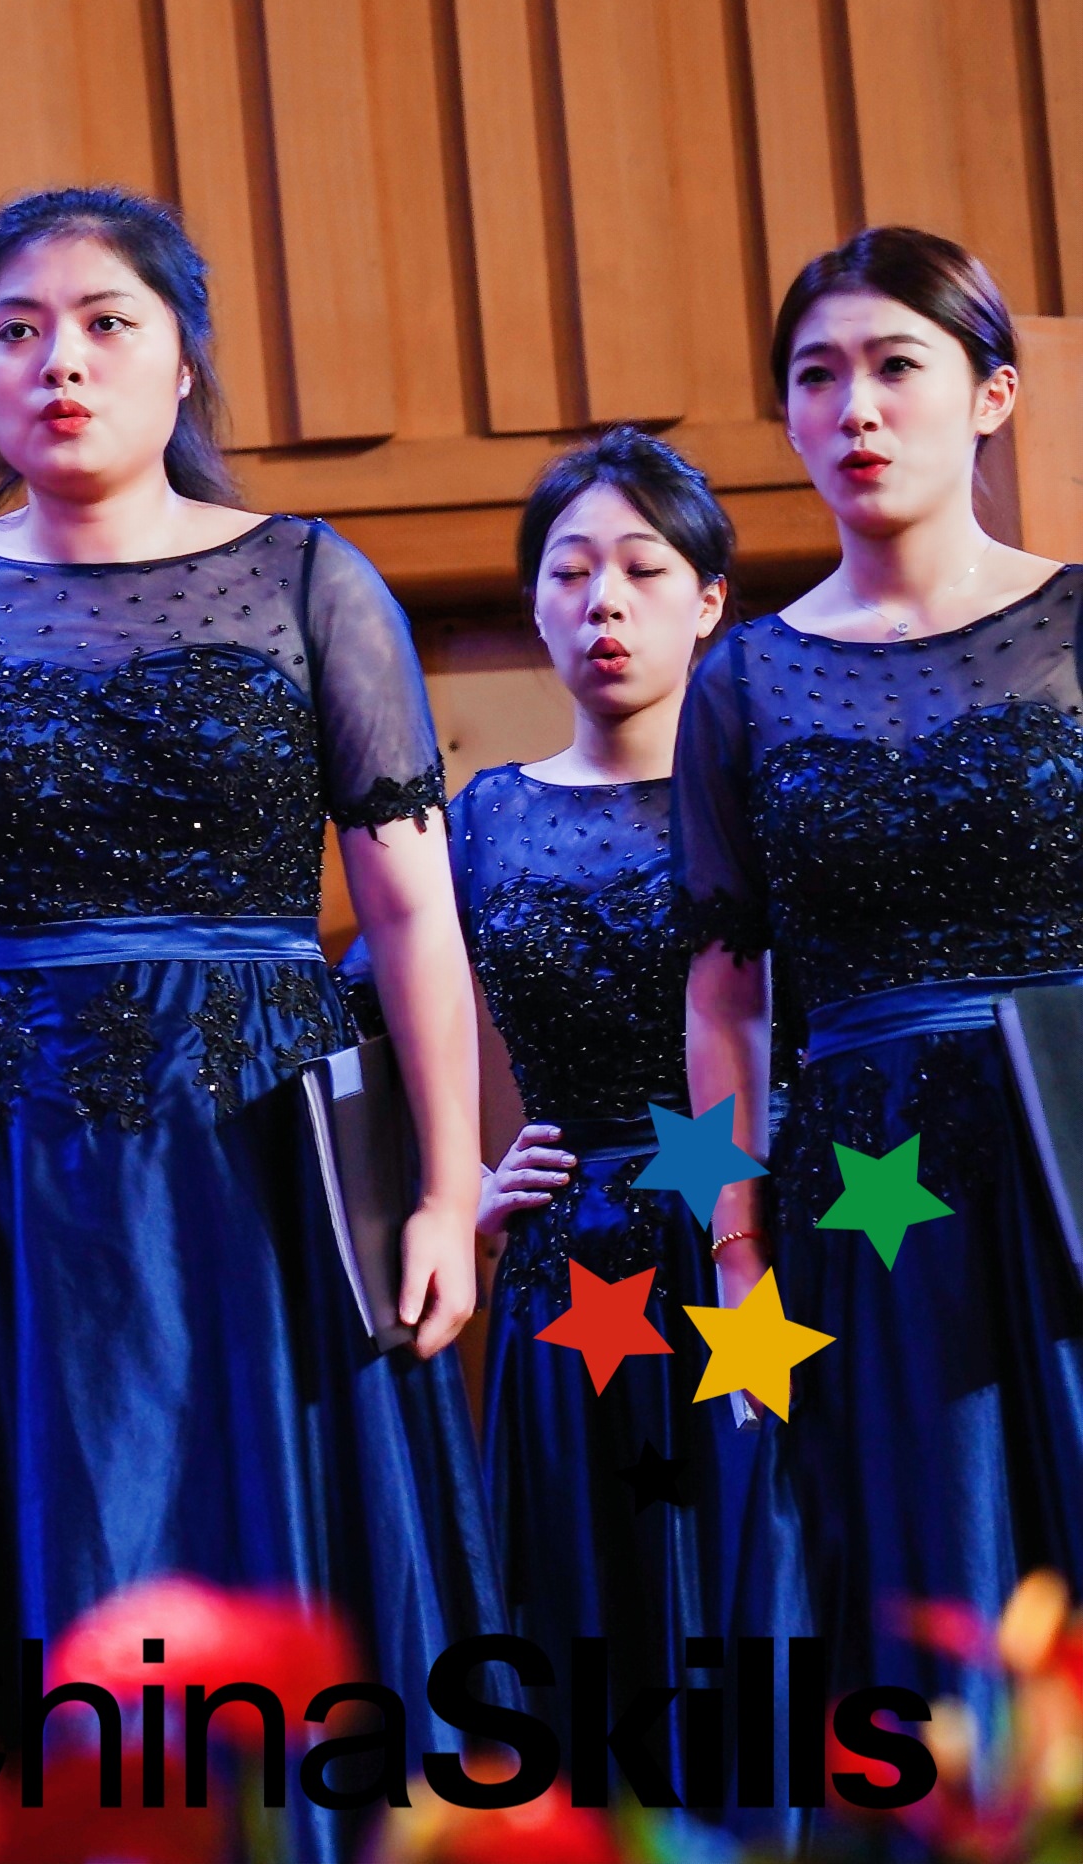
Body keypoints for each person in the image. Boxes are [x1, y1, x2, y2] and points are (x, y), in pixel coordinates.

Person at [0, 186, 495, 1761]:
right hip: (21, 1175)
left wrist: (446, 1190)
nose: (60, 360)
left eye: (107, 324)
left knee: (295, 1567)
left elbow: (410, 914)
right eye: (17, 331)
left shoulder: (310, 580)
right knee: (56, 1579)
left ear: (183, 363)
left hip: (271, 1161)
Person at [680, 225, 1083, 1696]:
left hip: (1075, 1155)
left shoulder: (1076, 620)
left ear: (992, 393)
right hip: (871, 1191)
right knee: (931, 1587)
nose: (855, 406)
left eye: (895, 365)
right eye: (816, 374)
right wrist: (734, 1253)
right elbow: (723, 999)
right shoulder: (741, 682)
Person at [458, 433, 801, 1708]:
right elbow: (352, 1023)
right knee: (583, 1635)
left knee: (769, 1620)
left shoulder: (774, 797)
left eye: (643, 569)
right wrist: (448, 1193)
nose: (603, 600)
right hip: (572, 1268)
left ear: (709, 600)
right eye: (570, 571)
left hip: (755, 1247)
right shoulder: (482, 817)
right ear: (536, 604)